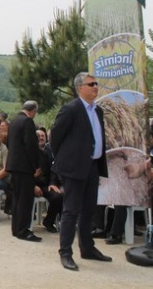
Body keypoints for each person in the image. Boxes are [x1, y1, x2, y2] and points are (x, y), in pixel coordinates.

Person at [50, 72, 112, 271]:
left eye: (96, 83)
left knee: (89, 210)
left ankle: (87, 247)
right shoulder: (71, 109)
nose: (95, 87)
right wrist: (64, 162)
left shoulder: (98, 110)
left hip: (92, 167)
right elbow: (55, 138)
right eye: (91, 84)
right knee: (71, 211)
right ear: (80, 88)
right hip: (73, 168)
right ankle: (65, 253)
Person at [6, 100, 41, 242]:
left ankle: (16, 228)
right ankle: (23, 230)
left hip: (14, 166)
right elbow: (31, 146)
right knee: (25, 200)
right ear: (33, 111)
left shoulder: (14, 121)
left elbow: (10, 143)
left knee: (17, 199)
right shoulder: (27, 122)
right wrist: (36, 166)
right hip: (25, 167)